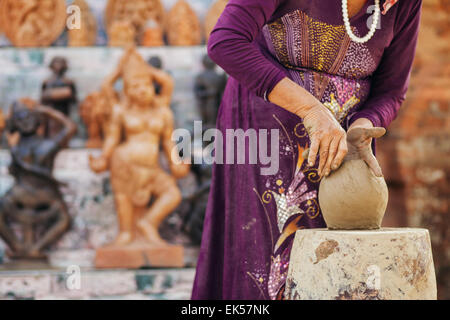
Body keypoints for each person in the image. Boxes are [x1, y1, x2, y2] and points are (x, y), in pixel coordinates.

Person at [192, 0, 422, 299]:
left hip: (344, 149)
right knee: (265, 267)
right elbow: (226, 41)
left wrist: (362, 127)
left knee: (337, 269)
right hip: (266, 137)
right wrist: (312, 111)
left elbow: (391, 90)